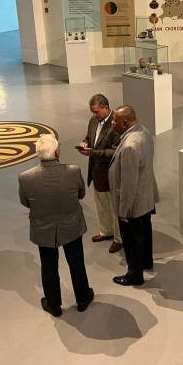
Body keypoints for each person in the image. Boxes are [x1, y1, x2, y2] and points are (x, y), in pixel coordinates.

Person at [18, 135, 94, 316]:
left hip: (43, 228)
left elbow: (25, 202)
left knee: (48, 265)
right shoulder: (73, 171)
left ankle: (53, 304)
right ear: (57, 152)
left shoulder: (25, 178)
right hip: (71, 225)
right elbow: (81, 194)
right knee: (76, 262)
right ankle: (83, 298)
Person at [108, 105, 160, 286]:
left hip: (134, 204)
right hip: (146, 196)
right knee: (145, 233)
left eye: (114, 120)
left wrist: (123, 211)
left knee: (132, 241)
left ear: (125, 122)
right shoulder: (144, 131)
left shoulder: (130, 146)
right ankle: (146, 261)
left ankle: (134, 275)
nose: (112, 123)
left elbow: (128, 184)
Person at [78, 94, 123, 254]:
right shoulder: (93, 120)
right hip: (96, 172)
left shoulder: (116, 124)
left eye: (96, 111)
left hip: (110, 174)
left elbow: (116, 151)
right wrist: (85, 143)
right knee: (102, 205)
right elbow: (89, 137)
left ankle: (119, 238)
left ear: (105, 107)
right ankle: (106, 231)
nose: (94, 115)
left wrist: (94, 153)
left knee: (114, 207)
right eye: (92, 112)